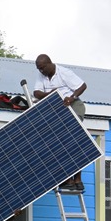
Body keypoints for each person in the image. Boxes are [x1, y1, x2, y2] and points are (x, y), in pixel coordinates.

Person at [33, 54, 88, 191]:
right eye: (38, 69)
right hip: (57, 109)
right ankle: (68, 179)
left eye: (42, 68)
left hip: (73, 106)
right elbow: (36, 93)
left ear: (49, 64)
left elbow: (82, 86)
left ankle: (77, 179)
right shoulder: (42, 76)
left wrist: (72, 97)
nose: (40, 71)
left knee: (71, 142)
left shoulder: (64, 73)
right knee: (60, 143)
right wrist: (51, 95)